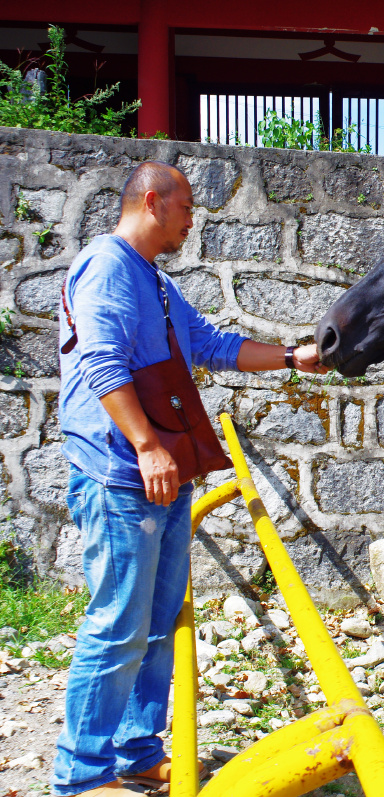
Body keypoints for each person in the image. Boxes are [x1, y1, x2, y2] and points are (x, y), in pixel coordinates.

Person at [53, 161, 327, 797]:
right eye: (186, 207)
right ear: (152, 201)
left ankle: (137, 751)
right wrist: (147, 446)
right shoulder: (107, 265)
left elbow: (210, 345)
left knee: (154, 621)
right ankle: (81, 776)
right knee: (118, 622)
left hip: (163, 470)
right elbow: (101, 362)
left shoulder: (152, 279)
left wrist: (293, 358)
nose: (192, 218)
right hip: (123, 469)